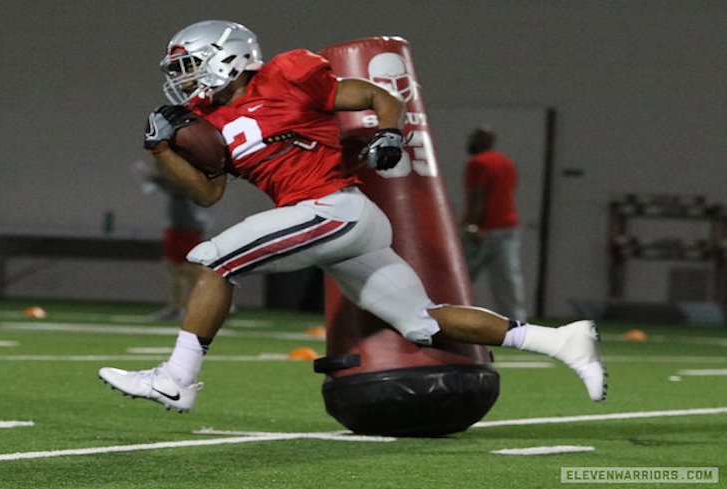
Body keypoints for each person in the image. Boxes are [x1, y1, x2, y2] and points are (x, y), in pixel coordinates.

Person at [100, 20, 605, 412]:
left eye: (188, 66)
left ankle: (177, 378)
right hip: (336, 224)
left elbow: (376, 94)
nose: (182, 80)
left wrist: (388, 132)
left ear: (224, 58)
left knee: (215, 260)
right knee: (422, 324)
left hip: (332, 208)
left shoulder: (286, 76)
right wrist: (161, 149)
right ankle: (560, 340)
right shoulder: (210, 125)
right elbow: (207, 194)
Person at [460, 126, 527, 322]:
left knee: (461, 277)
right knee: (507, 279)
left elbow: (477, 196)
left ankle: (449, 318)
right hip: (508, 228)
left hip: (483, 230)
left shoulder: (477, 163)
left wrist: (472, 225)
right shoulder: (507, 163)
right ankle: (516, 321)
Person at [134, 160, 211, 322]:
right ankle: (176, 307)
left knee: (190, 269)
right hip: (177, 228)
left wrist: (154, 178)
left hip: (188, 229)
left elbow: (177, 187)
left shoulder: (184, 179)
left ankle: (212, 302)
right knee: (174, 268)